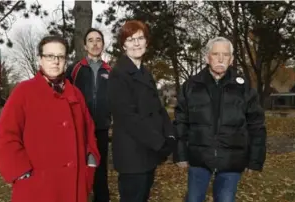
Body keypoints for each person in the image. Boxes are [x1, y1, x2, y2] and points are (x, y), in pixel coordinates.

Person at [0, 35, 100, 202]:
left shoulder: (76, 94)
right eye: (49, 56)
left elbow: (90, 133)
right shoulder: (23, 92)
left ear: (65, 61)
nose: (55, 61)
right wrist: (21, 172)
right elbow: (7, 136)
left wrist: (91, 161)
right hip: (37, 187)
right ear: (40, 59)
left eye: (60, 56)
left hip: (75, 186)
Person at [174, 36, 267, 202]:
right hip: (199, 158)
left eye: (225, 54)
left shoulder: (244, 88)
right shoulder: (190, 86)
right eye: (216, 54)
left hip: (232, 160)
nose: (221, 58)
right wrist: (180, 154)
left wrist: (255, 160)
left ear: (231, 59)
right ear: (207, 57)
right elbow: (181, 122)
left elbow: (257, 126)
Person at [108, 20, 176, 202]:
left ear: (147, 42)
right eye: (130, 39)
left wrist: (170, 135)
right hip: (132, 156)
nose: (136, 43)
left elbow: (158, 109)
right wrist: (160, 143)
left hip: (148, 154)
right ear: (124, 45)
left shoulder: (145, 72)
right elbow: (128, 118)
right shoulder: (118, 74)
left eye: (140, 38)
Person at [65, 28, 111, 202]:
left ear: (103, 45)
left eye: (98, 40)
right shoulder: (74, 69)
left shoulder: (109, 70)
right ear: (85, 45)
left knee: (100, 169)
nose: (95, 43)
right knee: (78, 166)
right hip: (79, 128)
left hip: (101, 128)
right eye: (90, 40)